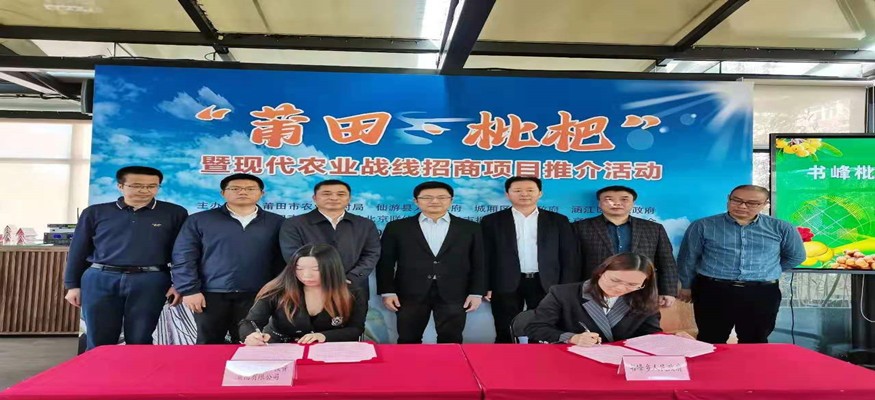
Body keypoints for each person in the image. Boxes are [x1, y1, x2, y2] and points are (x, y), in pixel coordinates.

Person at [64, 166, 188, 350]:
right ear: (120, 186)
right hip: (100, 278)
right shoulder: (95, 212)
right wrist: (72, 285)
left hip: (150, 280)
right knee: (99, 338)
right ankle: (99, 369)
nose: (144, 190)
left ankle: (136, 370)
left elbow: (182, 252)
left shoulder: (175, 213)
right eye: (136, 185)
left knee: (140, 338)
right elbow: (78, 250)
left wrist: (179, 284)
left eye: (152, 186)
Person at [677, 184, 806, 344]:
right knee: (710, 339)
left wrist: (768, 270)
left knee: (755, 341)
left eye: (752, 203)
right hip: (714, 291)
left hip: (761, 293)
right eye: (736, 200)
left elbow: (796, 256)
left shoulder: (781, 227)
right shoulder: (703, 225)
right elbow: (688, 257)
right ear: (728, 199)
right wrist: (686, 286)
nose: (742, 206)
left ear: (765, 204)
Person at [172, 173, 285, 344]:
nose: (243, 192)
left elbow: (282, 259)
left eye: (250, 189)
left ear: (262, 193)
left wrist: (278, 291)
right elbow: (184, 256)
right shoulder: (199, 220)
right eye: (235, 188)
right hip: (210, 293)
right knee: (209, 344)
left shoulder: (277, 222)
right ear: (223, 193)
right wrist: (189, 290)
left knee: (252, 343)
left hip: (259, 294)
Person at [376, 181, 486, 344]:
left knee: (451, 340)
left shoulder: (470, 228)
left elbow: (479, 262)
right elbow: (385, 262)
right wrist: (387, 291)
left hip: (455, 292)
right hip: (409, 293)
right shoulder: (397, 227)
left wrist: (476, 292)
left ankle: (448, 362)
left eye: (441, 197)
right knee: (408, 339)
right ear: (416, 201)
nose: (435, 201)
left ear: (451, 200)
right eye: (427, 197)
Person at [480, 176, 579, 343]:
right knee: (504, 327)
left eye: (530, 190)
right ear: (507, 194)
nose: (524, 194)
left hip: (546, 282)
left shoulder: (558, 220)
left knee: (544, 326)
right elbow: (485, 256)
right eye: (517, 190)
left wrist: (566, 287)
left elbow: (569, 256)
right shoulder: (492, 221)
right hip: (504, 281)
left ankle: (539, 357)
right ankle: (503, 357)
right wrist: (486, 285)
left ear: (540, 193)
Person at [527, 253, 688, 345]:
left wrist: (671, 340)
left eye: (632, 284)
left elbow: (648, 335)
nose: (620, 288)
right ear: (600, 273)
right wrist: (572, 338)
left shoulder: (644, 299)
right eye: (615, 280)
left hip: (619, 363)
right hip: (570, 358)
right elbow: (536, 328)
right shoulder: (563, 294)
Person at [573, 185, 678, 307]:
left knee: (641, 319)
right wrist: (573, 291)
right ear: (599, 203)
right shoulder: (579, 227)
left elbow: (666, 261)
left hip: (640, 290)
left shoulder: (654, 228)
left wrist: (668, 291)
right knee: (592, 319)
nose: (616, 203)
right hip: (595, 290)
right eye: (609, 199)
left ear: (633, 203)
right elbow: (572, 262)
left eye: (624, 199)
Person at [239, 244, 366, 345]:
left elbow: (356, 329)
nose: (306, 275)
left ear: (332, 269)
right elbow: (250, 322)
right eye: (299, 269)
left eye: (316, 269)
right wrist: (251, 335)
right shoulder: (276, 290)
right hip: (280, 348)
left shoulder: (352, 292)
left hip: (329, 350)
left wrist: (323, 336)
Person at [279, 179, 380, 297]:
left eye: (340, 194)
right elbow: (292, 255)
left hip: (353, 287)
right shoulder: (294, 224)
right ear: (314, 198)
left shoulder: (365, 224)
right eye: (326, 194)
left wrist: (352, 277)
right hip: (308, 288)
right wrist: (319, 278)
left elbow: (371, 253)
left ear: (349, 199)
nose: (334, 198)